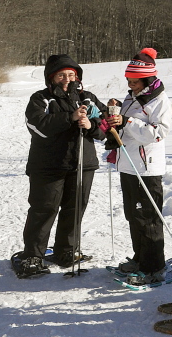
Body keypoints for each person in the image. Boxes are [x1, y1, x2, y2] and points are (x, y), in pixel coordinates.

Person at [17, 54, 107, 277]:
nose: (67, 78)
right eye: (61, 75)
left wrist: (91, 125)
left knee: (75, 208)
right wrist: (70, 117)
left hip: (82, 164)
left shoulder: (88, 98)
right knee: (44, 210)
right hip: (49, 165)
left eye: (71, 74)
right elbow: (37, 125)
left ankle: (66, 251)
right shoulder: (42, 99)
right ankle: (33, 256)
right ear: (52, 77)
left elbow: (106, 125)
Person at [105, 48, 172, 285]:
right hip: (128, 164)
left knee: (148, 218)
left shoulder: (159, 100)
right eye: (129, 81)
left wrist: (127, 121)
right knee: (133, 216)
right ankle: (140, 258)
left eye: (135, 81)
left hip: (147, 167)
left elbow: (158, 133)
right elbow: (125, 126)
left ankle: (154, 266)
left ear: (147, 79)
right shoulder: (131, 97)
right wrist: (114, 117)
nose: (130, 85)